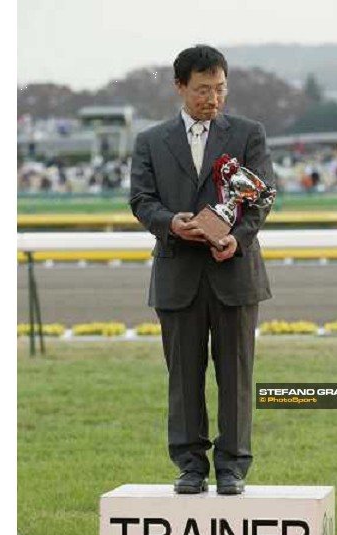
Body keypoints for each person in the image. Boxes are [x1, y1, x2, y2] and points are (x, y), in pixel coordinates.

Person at [129, 45, 275, 495]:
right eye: (202, 90)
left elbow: (262, 197)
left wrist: (237, 238)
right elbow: (141, 201)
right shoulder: (150, 141)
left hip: (234, 273)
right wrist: (172, 223)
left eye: (220, 89)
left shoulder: (249, 134)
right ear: (180, 87)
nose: (212, 99)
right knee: (184, 378)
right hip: (178, 276)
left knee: (235, 376)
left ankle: (232, 466)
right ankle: (190, 466)